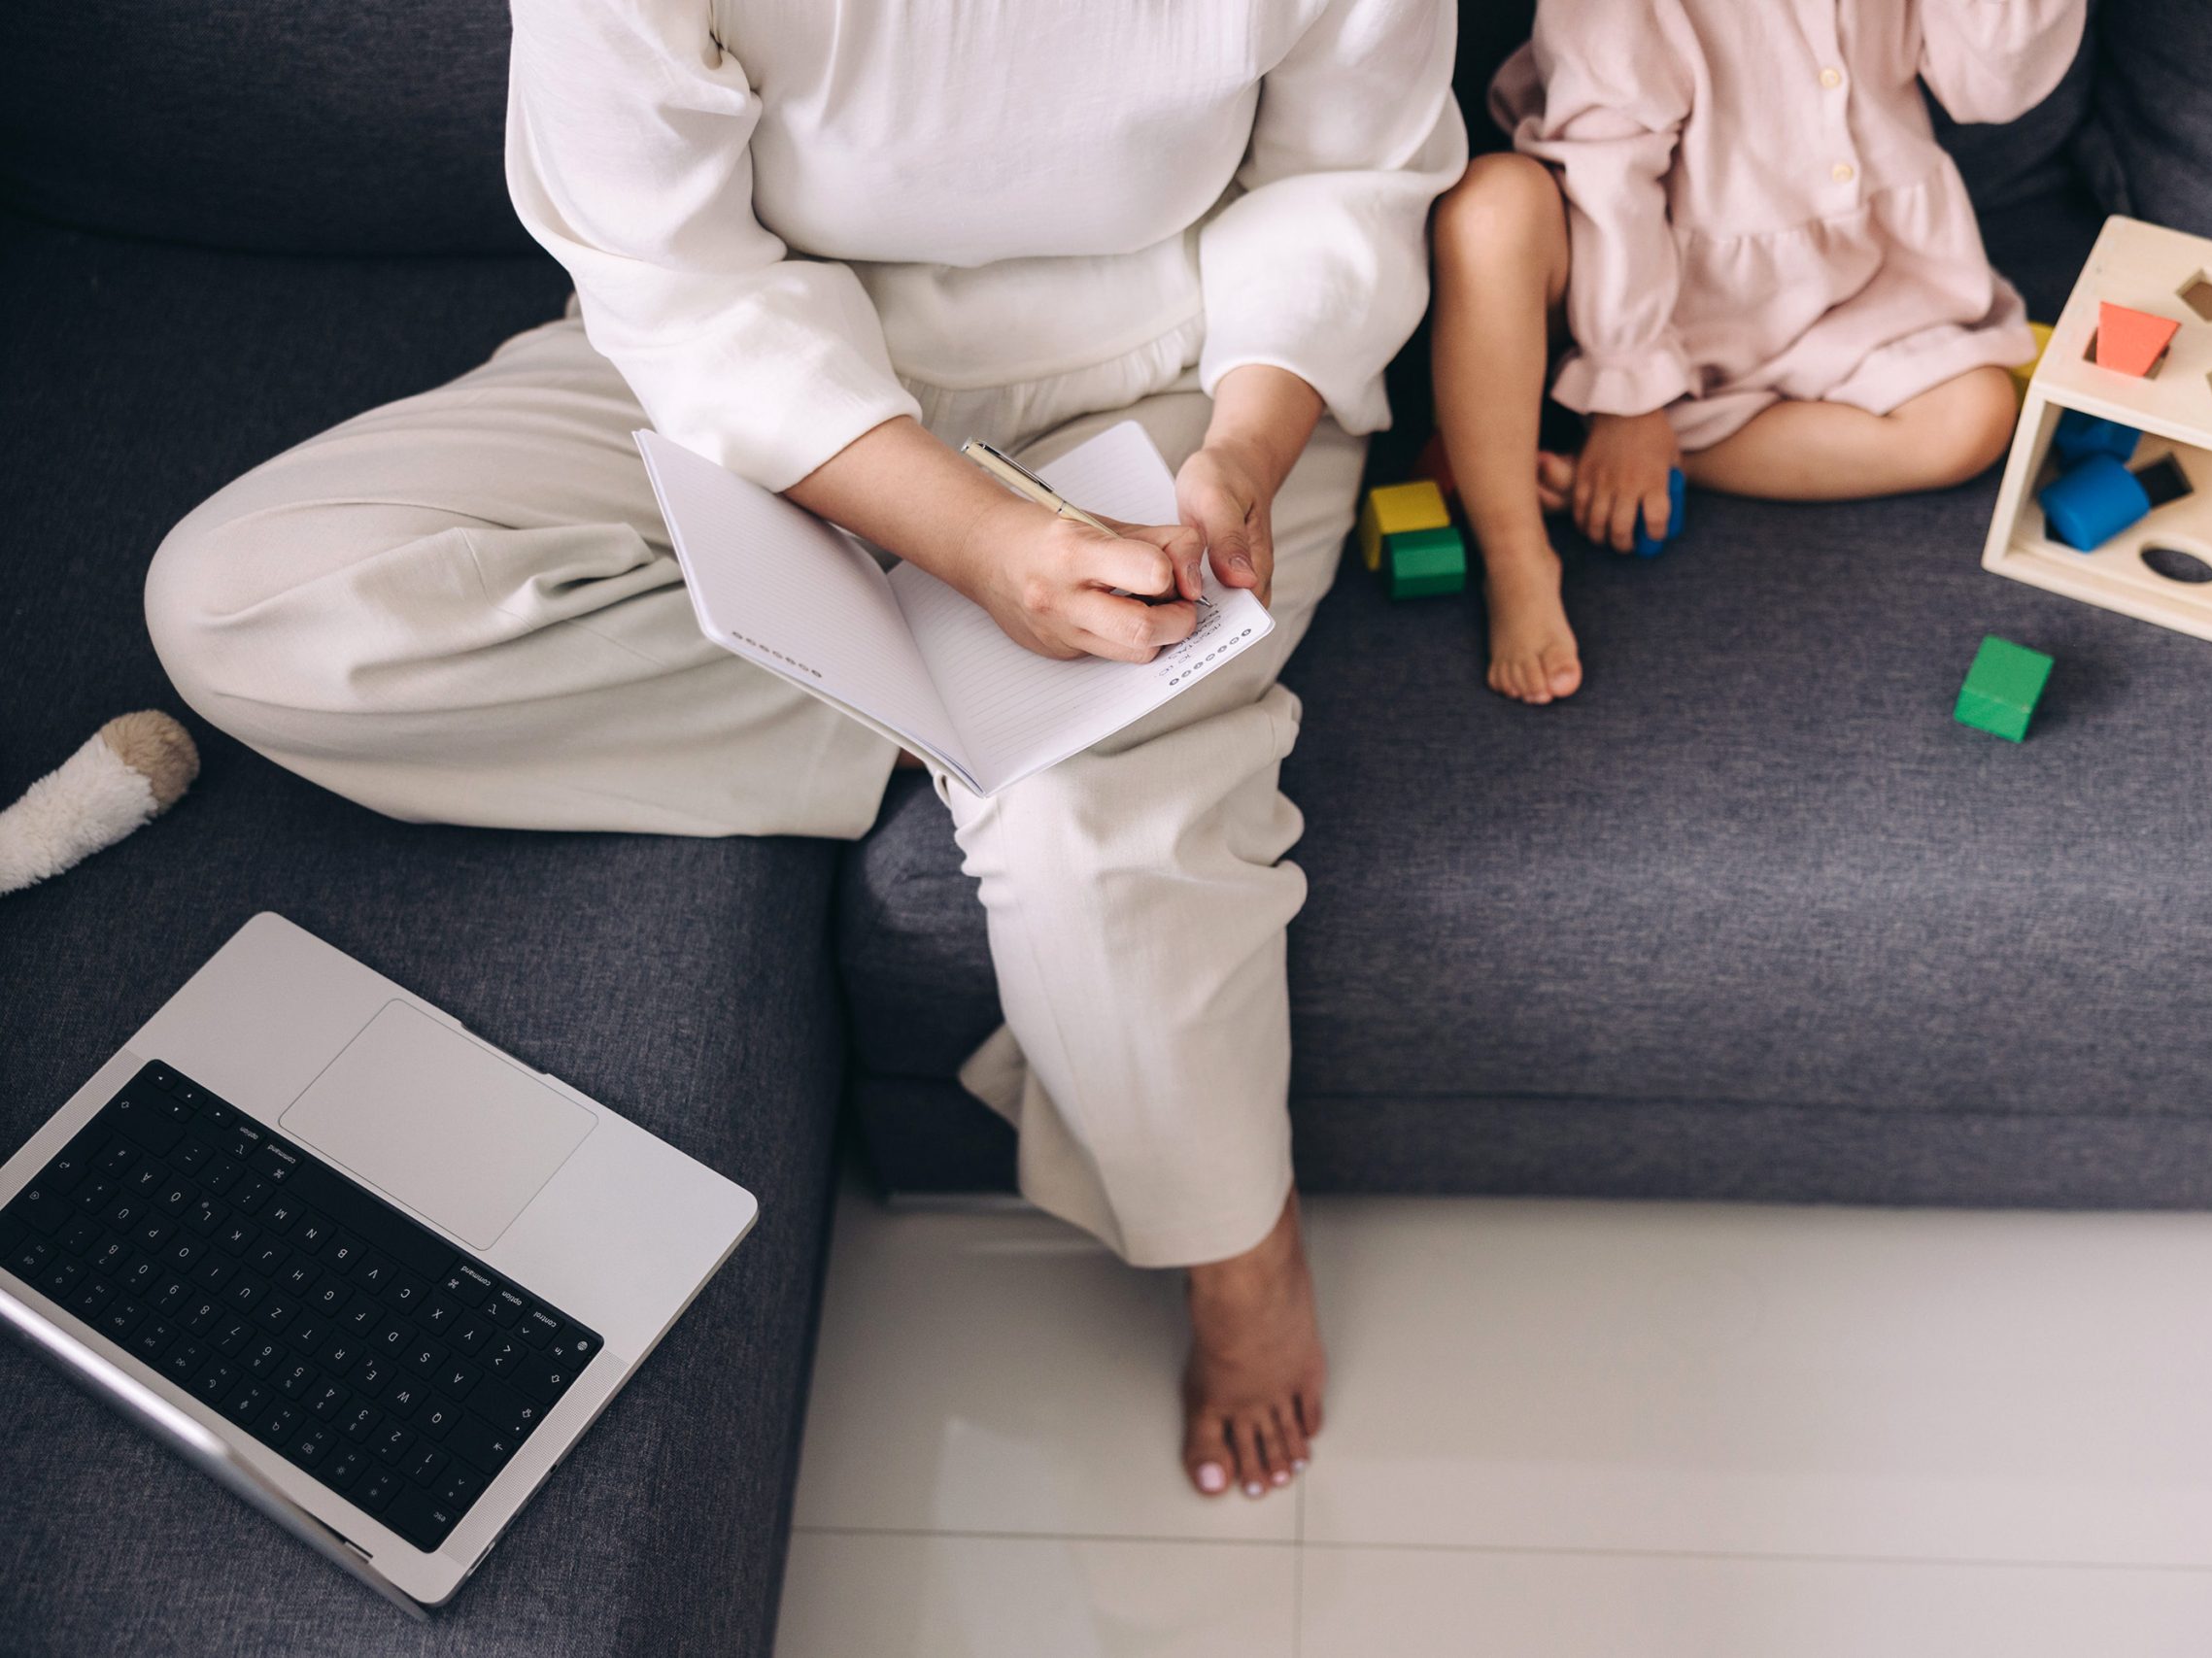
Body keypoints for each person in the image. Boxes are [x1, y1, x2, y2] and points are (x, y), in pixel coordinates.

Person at [142, 0, 1464, 1500]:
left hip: (1179, 361)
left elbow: (1346, 181)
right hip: (757, 357)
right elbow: (670, 273)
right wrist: (970, 543)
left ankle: (1237, 1248)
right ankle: (955, 707)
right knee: (245, 601)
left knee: (1093, 840)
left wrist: (1244, 448)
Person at [1429, 0, 2086, 704]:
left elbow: (1990, 86)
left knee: (1976, 417)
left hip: (1848, 278)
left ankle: (1616, 449)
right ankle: (1517, 554)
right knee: (1490, 210)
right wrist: (1629, 392)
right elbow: (1606, 175)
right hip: (1613, 270)